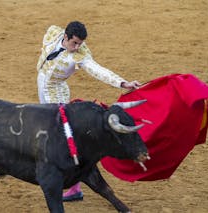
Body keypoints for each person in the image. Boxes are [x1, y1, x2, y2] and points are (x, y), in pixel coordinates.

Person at [36, 21, 141, 202]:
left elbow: (98, 70)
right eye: (74, 43)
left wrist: (122, 83)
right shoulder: (53, 32)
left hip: (57, 94)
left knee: (63, 138)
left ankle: (75, 186)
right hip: (43, 87)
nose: (77, 47)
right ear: (65, 36)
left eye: (80, 43)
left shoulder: (81, 55)